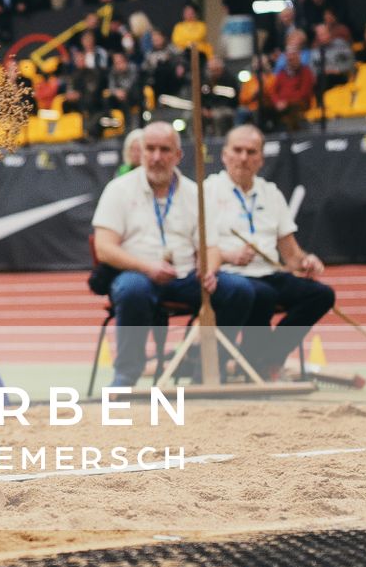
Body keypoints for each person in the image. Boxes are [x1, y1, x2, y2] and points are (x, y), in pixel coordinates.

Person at [91, 122, 256, 388]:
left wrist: (210, 269)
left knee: (240, 290)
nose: (157, 157)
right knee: (132, 289)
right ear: (141, 152)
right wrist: (147, 268)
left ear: (178, 155)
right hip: (138, 276)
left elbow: (210, 246)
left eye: (165, 150)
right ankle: (126, 375)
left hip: (185, 278)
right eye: (151, 149)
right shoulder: (118, 190)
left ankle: (205, 369)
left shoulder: (195, 193)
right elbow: (104, 248)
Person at [205, 126, 332, 376]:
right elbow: (197, 249)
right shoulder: (207, 191)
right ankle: (252, 366)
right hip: (228, 275)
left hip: (268, 274)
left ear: (261, 159)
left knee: (321, 295)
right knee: (260, 294)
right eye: (237, 150)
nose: (243, 157)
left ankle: (266, 358)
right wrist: (230, 256)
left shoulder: (271, 193)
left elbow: (292, 255)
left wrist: (307, 261)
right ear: (224, 155)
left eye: (251, 152)